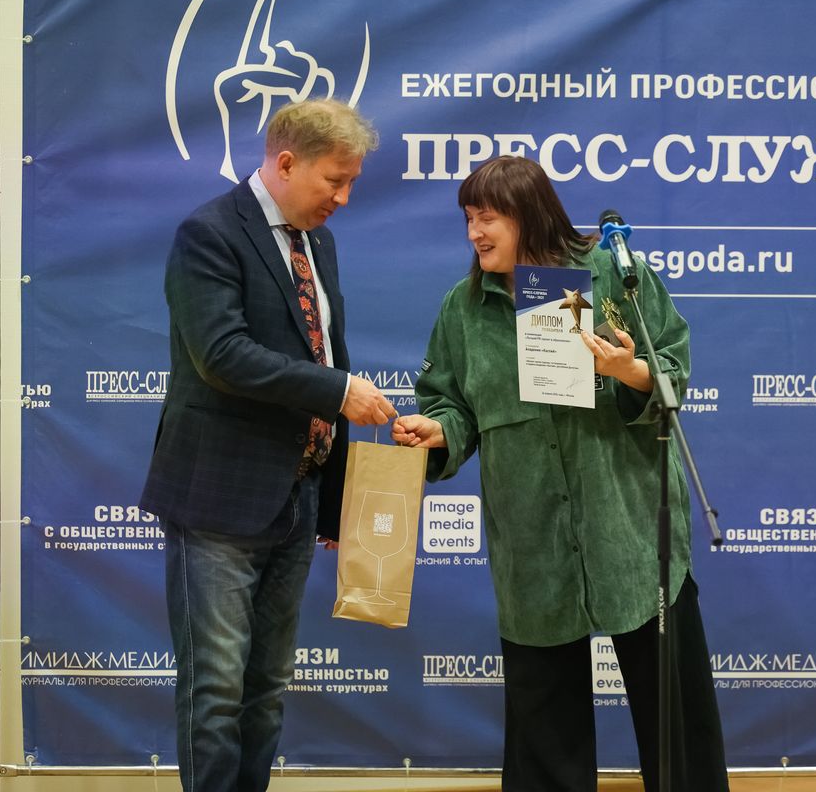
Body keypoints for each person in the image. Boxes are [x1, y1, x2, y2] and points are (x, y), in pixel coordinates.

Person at [392, 155, 729, 792]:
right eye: (468, 219)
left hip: (631, 533)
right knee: (544, 734)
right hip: (533, 542)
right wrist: (440, 431)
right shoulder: (463, 308)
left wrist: (628, 370)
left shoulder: (615, 277)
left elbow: (673, 370)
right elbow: (450, 403)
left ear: (529, 215)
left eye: (488, 218)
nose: (475, 233)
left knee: (676, 723)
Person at [140, 98, 397, 792]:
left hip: (297, 497)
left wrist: (335, 498)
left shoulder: (319, 243)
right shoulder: (209, 234)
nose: (344, 198)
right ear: (286, 163)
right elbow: (222, 355)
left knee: (266, 691)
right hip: (218, 500)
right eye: (335, 181)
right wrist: (339, 391)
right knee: (217, 692)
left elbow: (325, 350)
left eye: (351, 183)